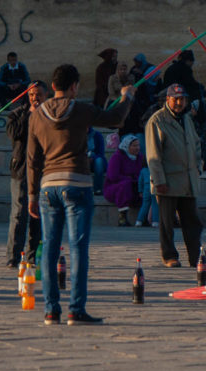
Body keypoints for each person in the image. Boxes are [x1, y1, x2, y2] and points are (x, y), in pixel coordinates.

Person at [26, 63, 133, 325]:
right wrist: (126, 96)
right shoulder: (82, 109)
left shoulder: (37, 115)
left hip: (48, 187)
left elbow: (32, 159)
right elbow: (114, 118)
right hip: (78, 183)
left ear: (52, 86)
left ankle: (51, 310)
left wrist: (31, 194)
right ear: (74, 86)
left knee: (50, 249)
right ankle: (76, 309)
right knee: (78, 248)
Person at [146, 83, 206, 268]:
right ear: (168, 100)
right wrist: (159, 181)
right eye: (176, 99)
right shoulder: (157, 121)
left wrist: (199, 166)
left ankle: (196, 257)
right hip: (168, 181)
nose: (180, 103)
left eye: (183, 99)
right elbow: (153, 156)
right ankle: (169, 256)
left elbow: (196, 144)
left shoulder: (187, 119)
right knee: (167, 224)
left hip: (187, 180)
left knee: (192, 222)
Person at [5, 82, 46, 267]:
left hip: (43, 171)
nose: (34, 98)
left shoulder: (50, 114)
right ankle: (14, 256)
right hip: (21, 170)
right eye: (31, 95)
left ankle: (33, 256)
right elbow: (14, 134)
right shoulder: (17, 114)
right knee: (19, 214)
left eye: (38, 95)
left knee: (38, 215)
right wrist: (30, 114)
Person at [104, 134, 145, 226]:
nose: (137, 148)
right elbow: (112, 176)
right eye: (134, 145)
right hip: (115, 187)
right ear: (127, 146)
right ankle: (122, 217)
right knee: (125, 184)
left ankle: (145, 217)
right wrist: (130, 179)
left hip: (134, 185)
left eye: (138, 145)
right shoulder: (117, 157)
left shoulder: (140, 158)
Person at [86, 127, 107, 195]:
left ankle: (97, 189)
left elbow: (101, 153)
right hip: (82, 160)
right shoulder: (77, 135)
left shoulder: (97, 135)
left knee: (99, 161)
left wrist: (92, 157)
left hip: (95, 160)